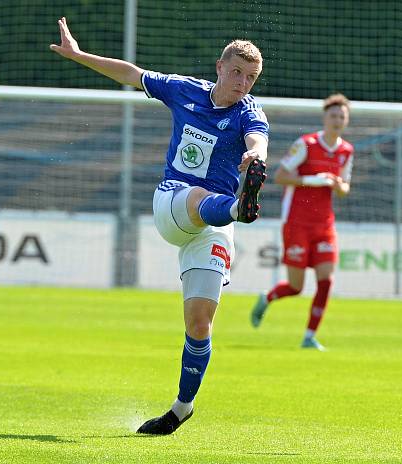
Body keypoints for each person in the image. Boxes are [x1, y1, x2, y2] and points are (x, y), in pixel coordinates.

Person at [50, 17, 268, 435]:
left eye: (251, 77)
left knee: (199, 323)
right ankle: (238, 208)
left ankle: (181, 408)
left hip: (214, 226)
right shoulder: (185, 90)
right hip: (174, 201)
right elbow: (132, 74)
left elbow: (259, 139)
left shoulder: (250, 113)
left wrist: (254, 157)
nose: (243, 83)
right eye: (237, 72)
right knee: (199, 199)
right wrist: (78, 56)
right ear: (220, 67)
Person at [250, 94, 354, 351]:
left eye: (342, 116)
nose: (337, 120)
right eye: (333, 116)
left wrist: (338, 185)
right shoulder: (306, 144)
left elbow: (344, 188)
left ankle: (309, 336)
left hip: (324, 225)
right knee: (296, 287)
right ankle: (267, 297)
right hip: (297, 222)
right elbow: (281, 176)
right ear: (325, 118)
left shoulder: (346, 151)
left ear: (346, 120)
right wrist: (313, 180)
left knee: (326, 280)